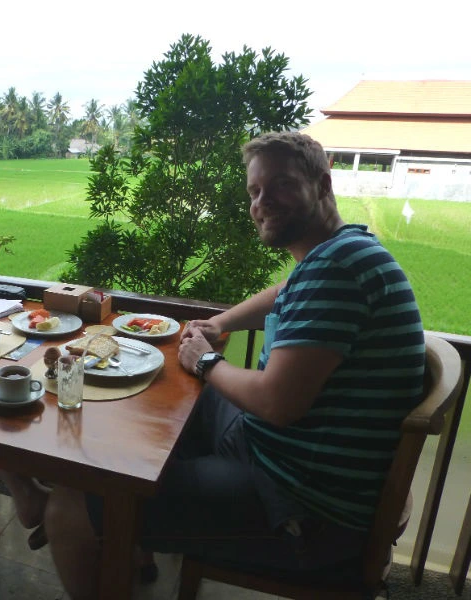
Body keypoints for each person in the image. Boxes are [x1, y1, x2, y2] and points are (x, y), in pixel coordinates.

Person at [44, 131, 425, 598]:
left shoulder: (336, 270)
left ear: (323, 185)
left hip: (302, 507)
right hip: (282, 458)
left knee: (72, 504)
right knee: (159, 406)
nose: (263, 201)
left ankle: (111, 520)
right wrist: (218, 324)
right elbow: (284, 291)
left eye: (281, 185)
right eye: (255, 191)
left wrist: (205, 360)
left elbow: (277, 402)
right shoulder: (341, 253)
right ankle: (131, 540)